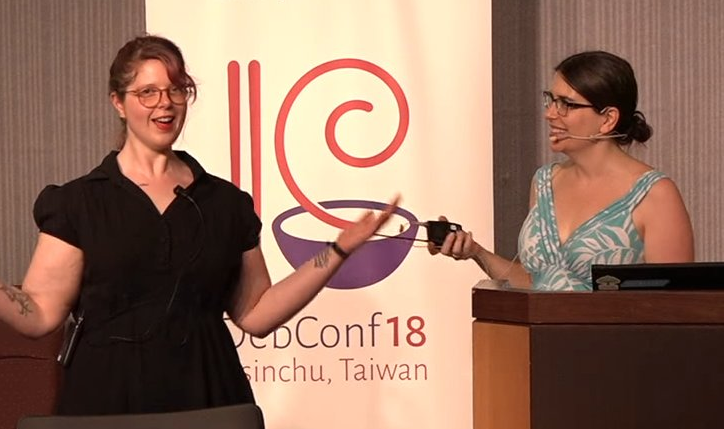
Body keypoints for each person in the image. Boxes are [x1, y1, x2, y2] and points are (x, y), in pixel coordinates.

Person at [0, 34, 398, 415]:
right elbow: (40, 313)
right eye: (147, 92)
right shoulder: (80, 203)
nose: (165, 103)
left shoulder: (224, 204)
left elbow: (256, 312)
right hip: (107, 399)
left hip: (207, 396)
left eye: (176, 89)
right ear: (118, 102)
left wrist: (339, 249)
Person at [430, 50, 694, 290]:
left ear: (607, 119)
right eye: (551, 100)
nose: (550, 114)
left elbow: (676, 305)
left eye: (567, 104)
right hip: (539, 330)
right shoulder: (544, 181)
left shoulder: (655, 194)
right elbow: (536, 282)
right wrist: (476, 252)